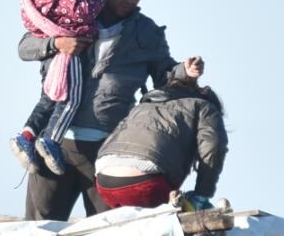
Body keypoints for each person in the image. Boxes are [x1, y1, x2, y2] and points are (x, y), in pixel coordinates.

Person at [17, 0, 201, 221]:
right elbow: (24, 47)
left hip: (109, 152)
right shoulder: (73, 12)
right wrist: (57, 44)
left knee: (109, 232)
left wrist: (185, 71)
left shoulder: (147, 32)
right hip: (54, 144)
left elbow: (164, 75)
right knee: (39, 228)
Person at [10, 0, 105, 176]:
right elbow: (81, 13)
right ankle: (50, 140)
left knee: (48, 99)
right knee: (69, 99)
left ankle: (27, 136)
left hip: (49, 60)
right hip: (67, 55)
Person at [94, 71, 226, 209]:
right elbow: (213, 148)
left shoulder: (142, 107)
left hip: (103, 183)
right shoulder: (205, 107)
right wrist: (202, 195)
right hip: (146, 186)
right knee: (187, 207)